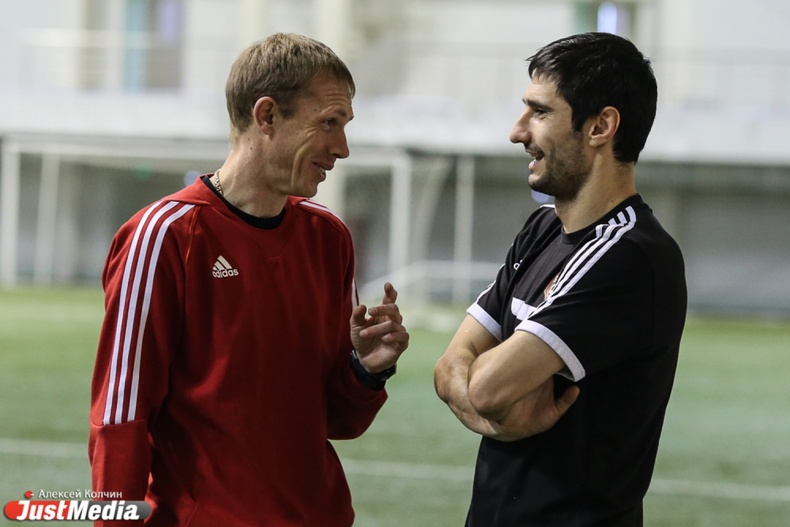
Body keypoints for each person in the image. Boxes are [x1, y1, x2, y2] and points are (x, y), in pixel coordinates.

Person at [89, 33, 409, 527]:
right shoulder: (163, 236)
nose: (342, 148)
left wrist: (366, 369)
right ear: (267, 115)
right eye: (329, 123)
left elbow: (335, 420)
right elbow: (120, 418)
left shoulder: (329, 238)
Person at [434, 32, 687, 526]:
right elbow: (449, 366)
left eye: (540, 112)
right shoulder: (543, 229)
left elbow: (484, 388)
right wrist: (494, 413)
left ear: (600, 127)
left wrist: (483, 394)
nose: (517, 131)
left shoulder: (632, 256)